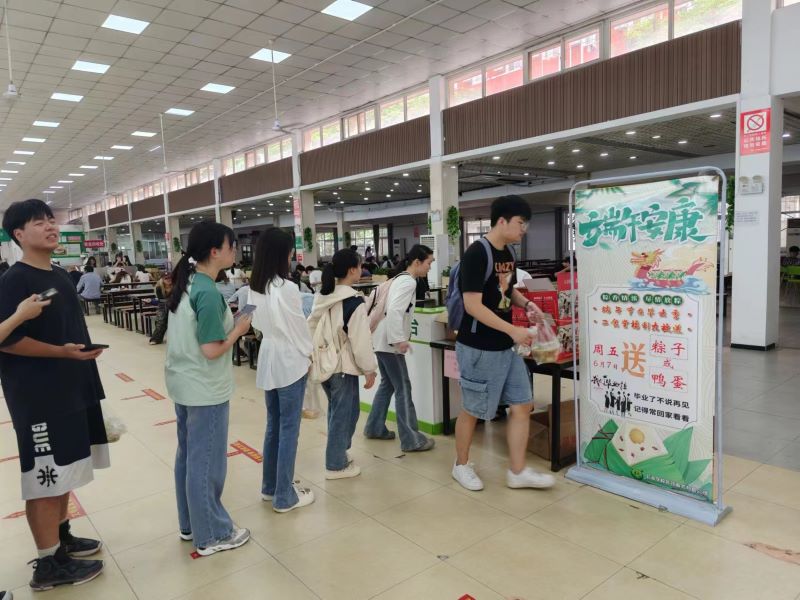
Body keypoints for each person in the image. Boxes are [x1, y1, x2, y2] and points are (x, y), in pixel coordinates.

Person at [0, 199, 109, 591]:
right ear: (18, 234)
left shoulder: (60, 274)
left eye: (51, 219)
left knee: (65, 471)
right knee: (44, 478)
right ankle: (47, 565)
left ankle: (61, 538)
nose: (50, 226)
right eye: (38, 222)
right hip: (39, 397)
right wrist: (61, 353)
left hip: (71, 388)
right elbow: (8, 340)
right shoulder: (15, 280)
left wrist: (79, 355)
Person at [451, 195, 555, 493]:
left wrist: (527, 304)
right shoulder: (476, 254)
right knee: (473, 409)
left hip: (505, 347)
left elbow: (506, 290)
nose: (524, 229)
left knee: (522, 405)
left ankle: (517, 472)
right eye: (521, 223)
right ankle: (461, 465)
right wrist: (513, 330)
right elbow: (472, 305)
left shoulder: (508, 252)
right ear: (502, 221)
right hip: (478, 347)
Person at [164, 221, 252, 556]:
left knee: (188, 456)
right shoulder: (208, 292)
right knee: (206, 463)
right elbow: (212, 349)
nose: (235, 251)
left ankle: (191, 524)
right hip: (205, 388)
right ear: (215, 252)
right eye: (231, 246)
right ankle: (212, 533)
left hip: (184, 383)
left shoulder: (189, 284)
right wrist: (238, 330)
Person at [248, 228, 315, 513]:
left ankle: (270, 487)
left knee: (273, 424)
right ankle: (285, 496)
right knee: (289, 428)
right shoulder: (287, 288)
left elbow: (252, 322)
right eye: (290, 252)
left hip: (268, 356)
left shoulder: (254, 286)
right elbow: (299, 328)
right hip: (290, 359)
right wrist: (310, 354)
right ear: (282, 254)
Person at [308, 249, 378, 479]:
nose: (361, 269)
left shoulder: (323, 295)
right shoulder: (353, 301)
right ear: (352, 270)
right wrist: (369, 369)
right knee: (345, 414)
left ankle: (337, 453)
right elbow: (360, 341)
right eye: (359, 265)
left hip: (323, 362)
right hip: (342, 367)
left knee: (336, 411)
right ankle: (335, 464)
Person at [365, 244, 436, 452]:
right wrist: (398, 340)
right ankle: (411, 439)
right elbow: (395, 311)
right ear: (417, 262)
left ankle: (374, 427)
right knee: (403, 388)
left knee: (388, 384)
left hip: (380, 340)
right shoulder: (408, 282)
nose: (430, 267)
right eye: (429, 263)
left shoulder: (400, 279)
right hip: (389, 343)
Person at [148, 273, 173, 345]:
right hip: (162, 306)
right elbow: (161, 299)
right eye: (166, 278)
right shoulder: (159, 287)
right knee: (161, 322)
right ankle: (155, 339)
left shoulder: (175, 286)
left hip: (173, 305)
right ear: (162, 279)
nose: (168, 279)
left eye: (169, 278)